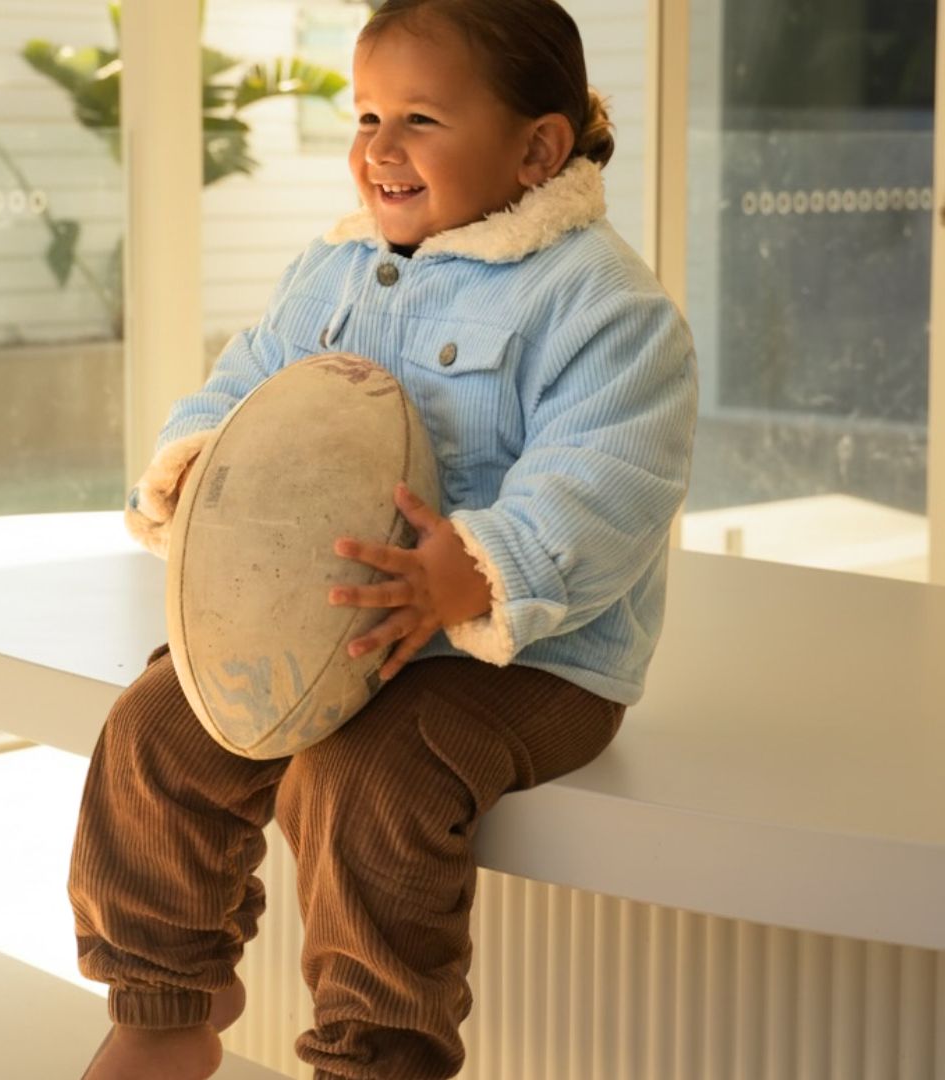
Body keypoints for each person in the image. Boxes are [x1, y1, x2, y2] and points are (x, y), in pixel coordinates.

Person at [71, 0, 697, 1076]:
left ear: (537, 147)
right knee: (156, 732)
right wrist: (196, 465)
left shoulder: (605, 307)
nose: (380, 150)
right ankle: (165, 1002)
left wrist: (480, 567)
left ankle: (375, 1055)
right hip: (328, 626)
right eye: (365, 117)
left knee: (364, 786)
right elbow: (240, 385)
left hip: (525, 659)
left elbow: (610, 478)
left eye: (419, 118)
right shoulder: (330, 274)